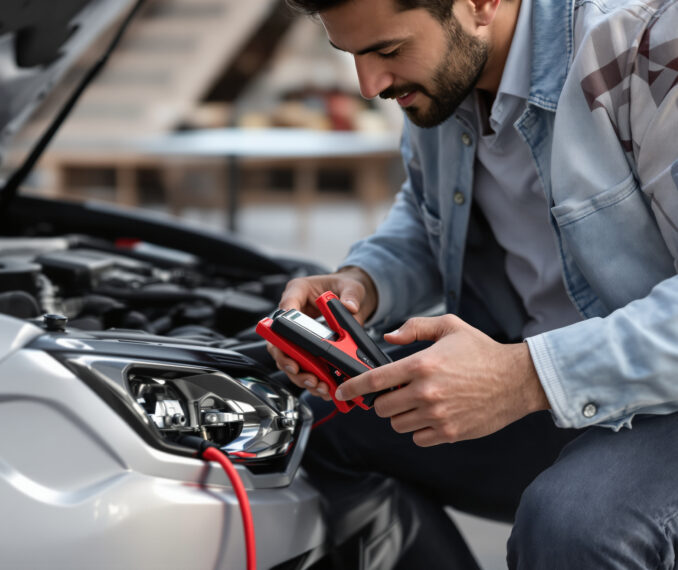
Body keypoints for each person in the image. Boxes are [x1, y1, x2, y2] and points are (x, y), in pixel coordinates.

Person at [268, 0, 678, 567]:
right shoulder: (444, 80)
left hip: (662, 400)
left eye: (387, 51)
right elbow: (427, 210)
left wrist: (523, 377)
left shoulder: (648, 45)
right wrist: (362, 281)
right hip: (538, 384)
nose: (369, 85)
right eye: (352, 56)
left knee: (574, 525)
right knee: (294, 422)